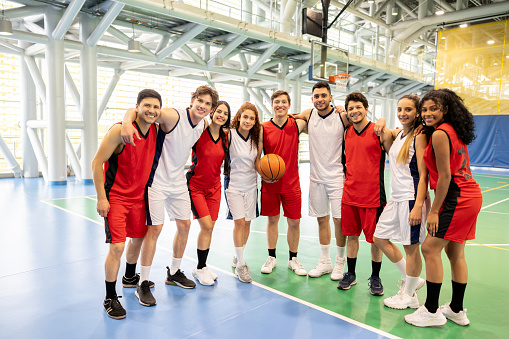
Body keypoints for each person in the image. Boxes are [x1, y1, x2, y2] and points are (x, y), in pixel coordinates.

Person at [121, 85, 219, 294]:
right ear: (192, 99)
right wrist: (127, 122)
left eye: (207, 104)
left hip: (177, 182)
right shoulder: (174, 116)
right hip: (156, 181)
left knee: (184, 225)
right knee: (154, 229)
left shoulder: (203, 125)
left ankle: (174, 272)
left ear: (211, 109)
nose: (202, 106)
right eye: (200, 100)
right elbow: (141, 110)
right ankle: (143, 282)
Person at [405, 89, 482, 327]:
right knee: (455, 253)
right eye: (424, 110)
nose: (427, 113)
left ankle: (430, 311)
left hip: (455, 197)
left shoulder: (440, 134)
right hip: (470, 195)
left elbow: (445, 177)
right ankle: (456, 310)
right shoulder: (450, 130)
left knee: (429, 249)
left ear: (445, 110)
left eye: (433, 109)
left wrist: (435, 210)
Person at [92, 89, 161, 319]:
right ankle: (110, 297)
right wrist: (102, 197)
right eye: (147, 106)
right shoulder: (118, 131)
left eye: (155, 107)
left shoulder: (156, 129)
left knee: (139, 238)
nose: (151, 110)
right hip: (117, 198)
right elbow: (96, 163)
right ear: (138, 107)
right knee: (117, 247)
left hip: (139, 197)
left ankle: (130, 277)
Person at [373, 94, 428, 309]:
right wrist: (382, 121)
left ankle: (409, 295)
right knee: (379, 238)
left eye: (408, 109)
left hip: (410, 198)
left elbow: (424, 175)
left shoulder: (419, 136)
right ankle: (412, 278)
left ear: (417, 112)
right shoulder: (401, 135)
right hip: (396, 198)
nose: (402, 113)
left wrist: (418, 206)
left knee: (411, 248)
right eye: (399, 109)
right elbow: (384, 131)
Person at [292, 81, 349, 281]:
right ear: (313, 99)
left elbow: (363, 123)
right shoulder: (308, 114)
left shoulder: (342, 116)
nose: (320, 99)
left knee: (339, 221)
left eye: (323, 95)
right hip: (316, 177)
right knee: (321, 219)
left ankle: (340, 261)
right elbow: (291, 118)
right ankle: (325, 261)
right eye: (316, 96)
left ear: (331, 97)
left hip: (337, 177)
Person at [337, 92, 386, 296]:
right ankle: (351, 273)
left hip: (372, 196)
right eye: (350, 108)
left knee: (374, 240)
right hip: (349, 194)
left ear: (366, 109)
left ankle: (375, 277)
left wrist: (383, 121)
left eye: (358, 107)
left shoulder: (378, 131)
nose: (354, 111)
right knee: (351, 237)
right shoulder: (346, 132)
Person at [259, 90, 308, 276]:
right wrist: (263, 173)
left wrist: (300, 114)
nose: (280, 105)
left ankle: (293, 259)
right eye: (276, 102)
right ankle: (271, 257)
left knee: (294, 222)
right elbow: (257, 157)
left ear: (289, 105)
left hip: (292, 183)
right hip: (270, 183)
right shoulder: (263, 128)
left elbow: (313, 114)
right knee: (272, 220)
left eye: (284, 102)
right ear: (272, 105)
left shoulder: (297, 124)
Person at [187, 101, 231, 286]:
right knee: (206, 226)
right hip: (195, 186)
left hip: (214, 187)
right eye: (218, 111)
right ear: (212, 112)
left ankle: (203, 266)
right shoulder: (199, 130)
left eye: (225, 113)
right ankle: (198, 268)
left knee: (210, 227)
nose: (221, 115)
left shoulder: (226, 136)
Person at [225, 102, 263, 283]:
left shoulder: (256, 139)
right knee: (239, 223)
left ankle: (238, 254)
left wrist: (267, 175)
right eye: (245, 117)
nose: (248, 121)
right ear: (239, 117)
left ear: (255, 122)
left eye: (252, 118)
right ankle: (241, 264)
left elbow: (257, 163)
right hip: (233, 186)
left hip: (251, 186)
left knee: (247, 223)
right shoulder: (229, 135)